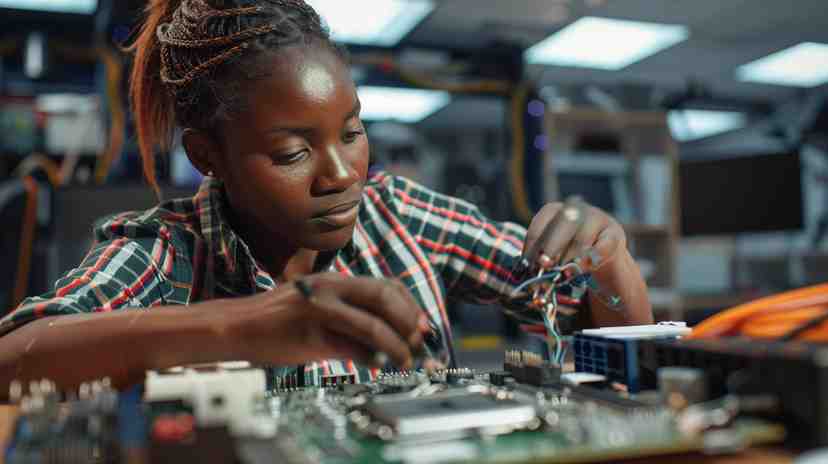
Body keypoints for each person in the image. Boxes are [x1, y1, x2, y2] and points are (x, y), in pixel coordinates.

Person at [0, 0, 652, 396]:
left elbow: (608, 324)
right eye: (292, 153)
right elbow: (12, 358)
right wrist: (247, 326)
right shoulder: (164, 252)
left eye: (353, 133)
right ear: (208, 157)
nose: (341, 174)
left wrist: (610, 257)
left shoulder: (400, 217)